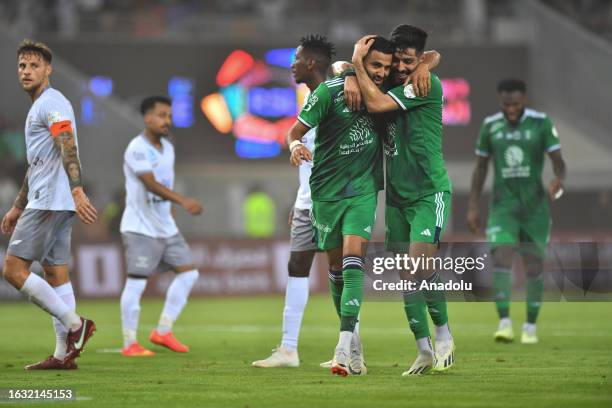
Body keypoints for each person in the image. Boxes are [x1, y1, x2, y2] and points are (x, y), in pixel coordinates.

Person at [288, 36, 396, 377]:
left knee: (352, 263)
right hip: (325, 193)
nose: (381, 73)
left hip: (362, 190)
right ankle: (355, 348)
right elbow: (294, 131)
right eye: (375, 65)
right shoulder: (327, 93)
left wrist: (355, 72)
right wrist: (293, 145)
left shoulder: (383, 94)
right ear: (361, 61)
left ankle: (341, 347)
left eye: (386, 67)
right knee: (336, 271)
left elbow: (424, 62)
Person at [351, 25, 454, 376]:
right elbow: (344, 74)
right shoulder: (393, 81)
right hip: (396, 196)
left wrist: (427, 66)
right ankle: (423, 350)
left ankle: (443, 334)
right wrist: (352, 72)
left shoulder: (426, 83)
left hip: (428, 192)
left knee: (417, 268)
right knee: (407, 276)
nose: (402, 68)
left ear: (420, 59)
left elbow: (377, 103)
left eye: (411, 61)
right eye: (399, 62)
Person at [1, 39, 98, 370]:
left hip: (50, 202)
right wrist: (16, 206)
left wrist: (77, 190)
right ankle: (62, 355)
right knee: (57, 274)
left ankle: (76, 325)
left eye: (33, 66)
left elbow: (66, 143)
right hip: (51, 200)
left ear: (48, 69)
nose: (26, 71)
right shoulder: (39, 106)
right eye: (22, 66)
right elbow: (37, 165)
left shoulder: (52, 102)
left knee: (13, 270)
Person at [252, 35, 335, 369]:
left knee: (342, 273)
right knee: (297, 268)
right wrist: (298, 198)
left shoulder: (336, 95)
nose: (292, 65)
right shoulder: (310, 99)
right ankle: (288, 350)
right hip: (306, 202)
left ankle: (350, 347)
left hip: (334, 202)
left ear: (312, 63)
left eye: (297, 59)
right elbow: (302, 146)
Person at [467, 79, 566, 344]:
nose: (511, 109)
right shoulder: (490, 126)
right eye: (506, 104)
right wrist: (474, 205)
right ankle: (504, 323)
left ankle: (530, 327)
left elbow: (559, 162)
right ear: (501, 101)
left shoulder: (541, 123)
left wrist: (558, 179)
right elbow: (480, 168)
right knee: (502, 256)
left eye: (516, 104)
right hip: (503, 207)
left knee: (533, 264)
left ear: (525, 100)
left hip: (535, 208)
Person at [119, 96, 203, 357]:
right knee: (137, 282)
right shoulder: (136, 148)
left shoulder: (168, 148)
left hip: (166, 227)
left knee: (189, 274)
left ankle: (163, 331)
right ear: (148, 118)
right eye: (162, 115)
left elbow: (165, 182)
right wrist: (183, 200)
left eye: (169, 115)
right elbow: (151, 184)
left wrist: (173, 214)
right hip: (140, 228)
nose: (168, 121)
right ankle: (129, 342)